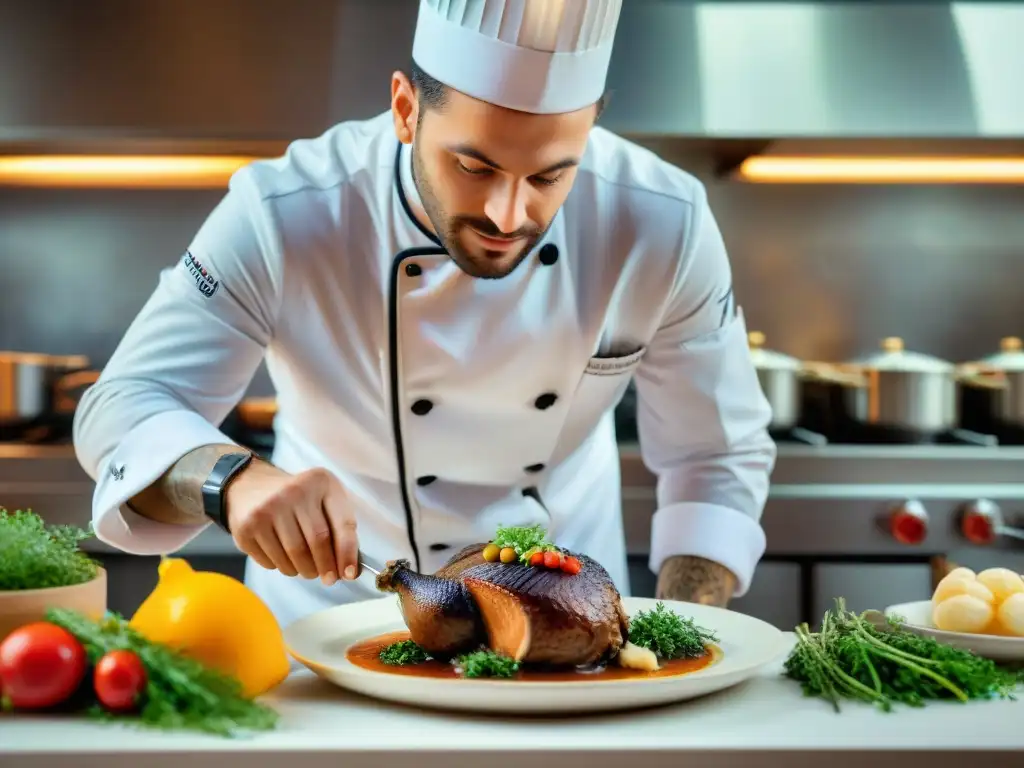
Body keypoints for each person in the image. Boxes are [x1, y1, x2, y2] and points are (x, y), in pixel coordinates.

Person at [73, 0, 776, 631]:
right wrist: (231, 480)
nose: (509, 215)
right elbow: (123, 403)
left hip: (563, 636)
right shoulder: (288, 211)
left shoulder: (662, 221)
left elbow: (713, 456)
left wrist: (677, 640)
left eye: (549, 176)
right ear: (406, 109)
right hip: (331, 626)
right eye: (474, 167)